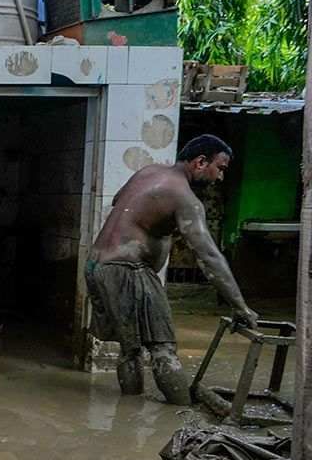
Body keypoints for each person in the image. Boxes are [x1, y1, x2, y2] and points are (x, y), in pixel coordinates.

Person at [86, 134, 258, 405]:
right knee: (163, 349)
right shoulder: (184, 198)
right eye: (220, 169)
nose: (220, 178)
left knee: (129, 349)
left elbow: (120, 199)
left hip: (97, 265)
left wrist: (160, 229)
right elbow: (210, 258)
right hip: (128, 270)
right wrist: (240, 306)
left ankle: (128, 414)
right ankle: (178, 418)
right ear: (201, 162)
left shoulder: (149, 172)